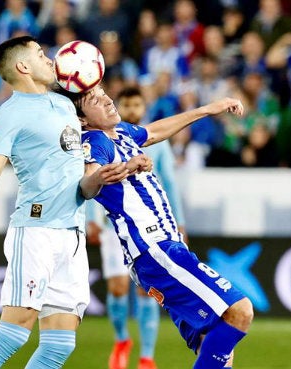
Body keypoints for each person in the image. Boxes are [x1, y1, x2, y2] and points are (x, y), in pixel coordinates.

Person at [0, 35, 147, 369]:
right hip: (36, 230)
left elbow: (105, 110)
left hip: (71, 232)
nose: (50, 59)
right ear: (22, 66)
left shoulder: (63, 101)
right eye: (41, 54)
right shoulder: (8, 115)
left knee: (60, 343)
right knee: (14, 332)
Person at [58, 84, 254, 369]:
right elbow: (87, 184)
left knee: (212, 340)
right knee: (239, 311)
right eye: (95, 100)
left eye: (104, 94)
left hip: (164, 250)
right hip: (155, 250)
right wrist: (114, 172)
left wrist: (207, 110)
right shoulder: (95, 141)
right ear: (82, 120)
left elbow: (155, 131)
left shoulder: (123, 133)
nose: (108, 100)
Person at [87, 86, 187, 369]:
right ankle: (121, 340)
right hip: (113, 227)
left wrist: (179, 222)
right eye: (126, 105)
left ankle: (146, 357)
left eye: (136, 105)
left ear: (143, 107)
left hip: (150, 227)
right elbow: (94, 176)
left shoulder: (157, 142)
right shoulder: (104, 138)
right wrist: (91, 219)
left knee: (149, 291)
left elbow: (169, 185)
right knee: (118, 289)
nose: (131, 110)